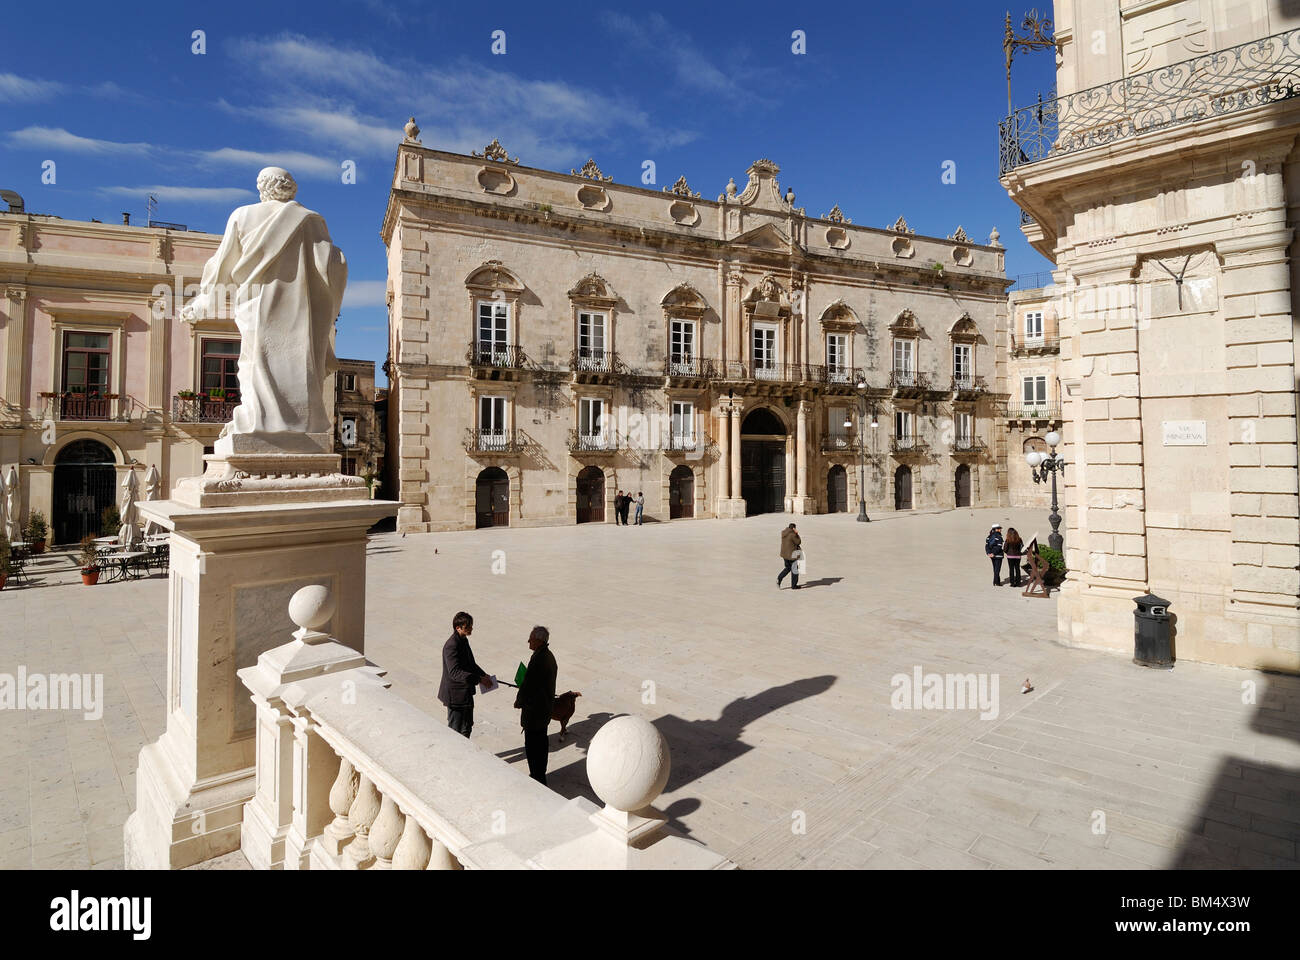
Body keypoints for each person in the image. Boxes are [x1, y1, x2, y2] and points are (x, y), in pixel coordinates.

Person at [514, 625, 558, 785]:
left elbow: (529, 686)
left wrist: (519, 701)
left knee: (533, 747)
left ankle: (537, 778)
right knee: (541, 744)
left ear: (539, 641)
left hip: (535, 713)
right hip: (544, 710)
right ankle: (540, 775)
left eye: (531, 638)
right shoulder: (547, 656)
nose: (528, 641)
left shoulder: (539, 659)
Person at [437, 611, 491, 738]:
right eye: (468, 627)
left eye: (471, 626)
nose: (471, 629)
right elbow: (455, 672)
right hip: (456, 696)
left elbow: (470, 664)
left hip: (465, 693)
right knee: (455, 731)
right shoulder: (451, 646)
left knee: (467, 727)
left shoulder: (463, 640)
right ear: (458, 628)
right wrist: (479, 679)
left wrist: (483, 675)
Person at [777, 522, 802, 590]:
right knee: (795, 570)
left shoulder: (783, 532)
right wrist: (796, 533)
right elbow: (798, 542)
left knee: (788, 568)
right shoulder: (792, 535)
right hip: (792, 556)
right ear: (793, 528)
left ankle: (779, 578)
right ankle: (794, 586)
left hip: (785, 555)